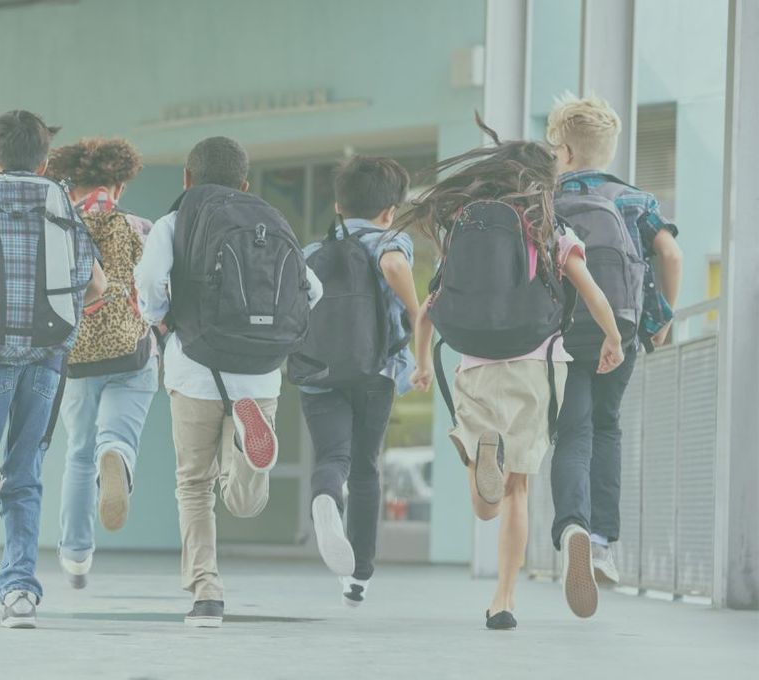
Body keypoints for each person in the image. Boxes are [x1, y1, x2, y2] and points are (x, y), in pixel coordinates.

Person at [401, 119, 626, 630]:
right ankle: (508, 597)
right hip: (536, 362)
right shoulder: (551, 228)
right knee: (518, 489)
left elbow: (427, 312)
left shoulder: (463, 224)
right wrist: (611, 338)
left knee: (486, 507)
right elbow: (591, 291)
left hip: (474, 364)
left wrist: (419, 364)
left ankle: (486, 460)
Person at [134, 136, 323, 628]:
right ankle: (249, 452)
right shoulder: (269, 219)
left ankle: (207, 593)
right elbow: (313, 289)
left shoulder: (175, 221)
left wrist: (158, 317)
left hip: (195, 368)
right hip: (260, 376)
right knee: (244, 501)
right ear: (245, 182)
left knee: (194, 486)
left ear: (186, 179)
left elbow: (150, 278)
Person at [0, 110, 106, 629]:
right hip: (47, 356)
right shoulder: (63, 204)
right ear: (46, 160)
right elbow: (95, 284)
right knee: (26, 472)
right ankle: (19, 595)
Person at [546, 93, 683, 610]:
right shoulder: (637, 201)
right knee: (606, 427)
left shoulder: (545, 200)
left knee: (571, 432)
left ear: (563, 151)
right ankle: (601, 544)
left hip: (560, 334)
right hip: (619, 334)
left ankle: (573, 526)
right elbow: (670, 252)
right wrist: (662, 316)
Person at [298, 156, 425, 607]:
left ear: (337, 205)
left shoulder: (312, 252)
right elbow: (393, 268)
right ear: (390, 209)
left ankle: (327, 496)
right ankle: (359, 576)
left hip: (319, 372)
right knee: (367, 466)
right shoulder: (392, 240)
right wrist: (417, 313)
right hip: (376, 371)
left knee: (333, 457)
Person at [44, 138, 159, 589]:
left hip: (75, 359)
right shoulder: (139, 227)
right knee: (116, 438)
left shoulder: (58, 227)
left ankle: (75, 555)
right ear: (119, 183)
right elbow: (157, 289)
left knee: (77, 455)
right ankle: (118, 457)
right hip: (131, 354)